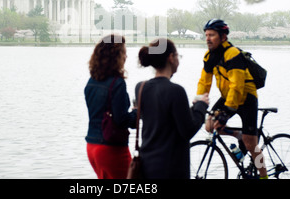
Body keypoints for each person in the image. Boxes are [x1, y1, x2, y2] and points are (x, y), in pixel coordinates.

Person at [196, 19, 268, 179]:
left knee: (252, 145)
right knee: (209, 125)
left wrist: (227, 111)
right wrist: (199, 102)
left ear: (223, 37)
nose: (207, 38)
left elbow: (237, 85)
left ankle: (264, 176)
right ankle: (238, 135)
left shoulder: (233, 54)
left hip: (246, 96)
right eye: (206, 35)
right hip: (227, 96)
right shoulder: (209, 56)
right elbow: (204, 82)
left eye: (212, 35)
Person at [136, 38, 209, 179]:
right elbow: (188, 130)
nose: (178, 60)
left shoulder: (141, 87)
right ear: (171, 57)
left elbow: (162, 117)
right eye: (177, 56)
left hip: (147, 165)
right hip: (171, 168)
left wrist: (191, 108)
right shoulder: (176, 91)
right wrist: (201, 106)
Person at [84, 34, 137, 179]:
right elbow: (122, 120)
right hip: (111, 149)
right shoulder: (117, 83)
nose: (126, 57)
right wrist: (137, 113)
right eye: (124, 52)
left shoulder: (91, 82)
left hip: (92, 146)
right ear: (116, 56)